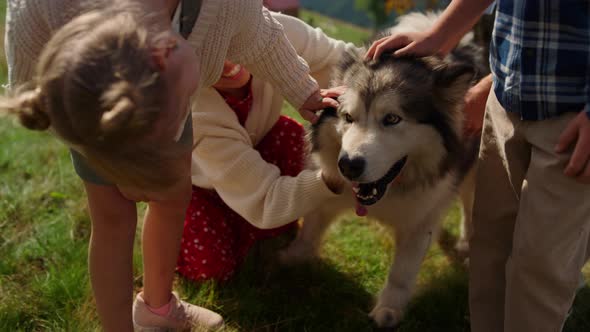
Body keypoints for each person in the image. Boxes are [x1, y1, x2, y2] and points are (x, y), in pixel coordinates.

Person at [4, 0, 338, 331]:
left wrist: (305, 92)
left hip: (144, 102)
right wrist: (103, 151)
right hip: (89, 118)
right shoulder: (43, 15)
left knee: (173, 195)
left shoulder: (222, 10)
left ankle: (157, 307)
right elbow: (28, 83)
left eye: (184, 108)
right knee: (112, 217)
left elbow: (262, 38)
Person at [367, 1, 590, 331]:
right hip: (506, 99)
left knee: (540, 265)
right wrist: (440, 35)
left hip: (573, 120)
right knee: (488, 247)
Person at [177, 13, 353, 281]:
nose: (227, 60)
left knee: (292, 136)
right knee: (212, 270)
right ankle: (195, 224)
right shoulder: (197, 111)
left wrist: (391, 74)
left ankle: (264, 228)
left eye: (233, 38)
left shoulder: (274, 31)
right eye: (209, 48)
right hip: (203, 186)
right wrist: (336, 177)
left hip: (260, 149)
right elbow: (266, 201)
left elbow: (341, 59)